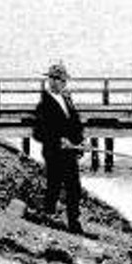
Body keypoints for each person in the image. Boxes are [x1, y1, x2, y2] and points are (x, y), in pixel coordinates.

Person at [32, 62, 85, 234]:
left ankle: (74, 223)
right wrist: (58, 141)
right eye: (52, 78)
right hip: (54, 152)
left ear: (64, 82)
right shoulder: (43, 105)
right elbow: (38, 133)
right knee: (54, 185)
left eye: (59, 79)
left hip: (70, 152)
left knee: (74, 187)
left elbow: (76, 125)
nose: (55, 82)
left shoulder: (67, 100)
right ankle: (48, 216)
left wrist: (80, 142)